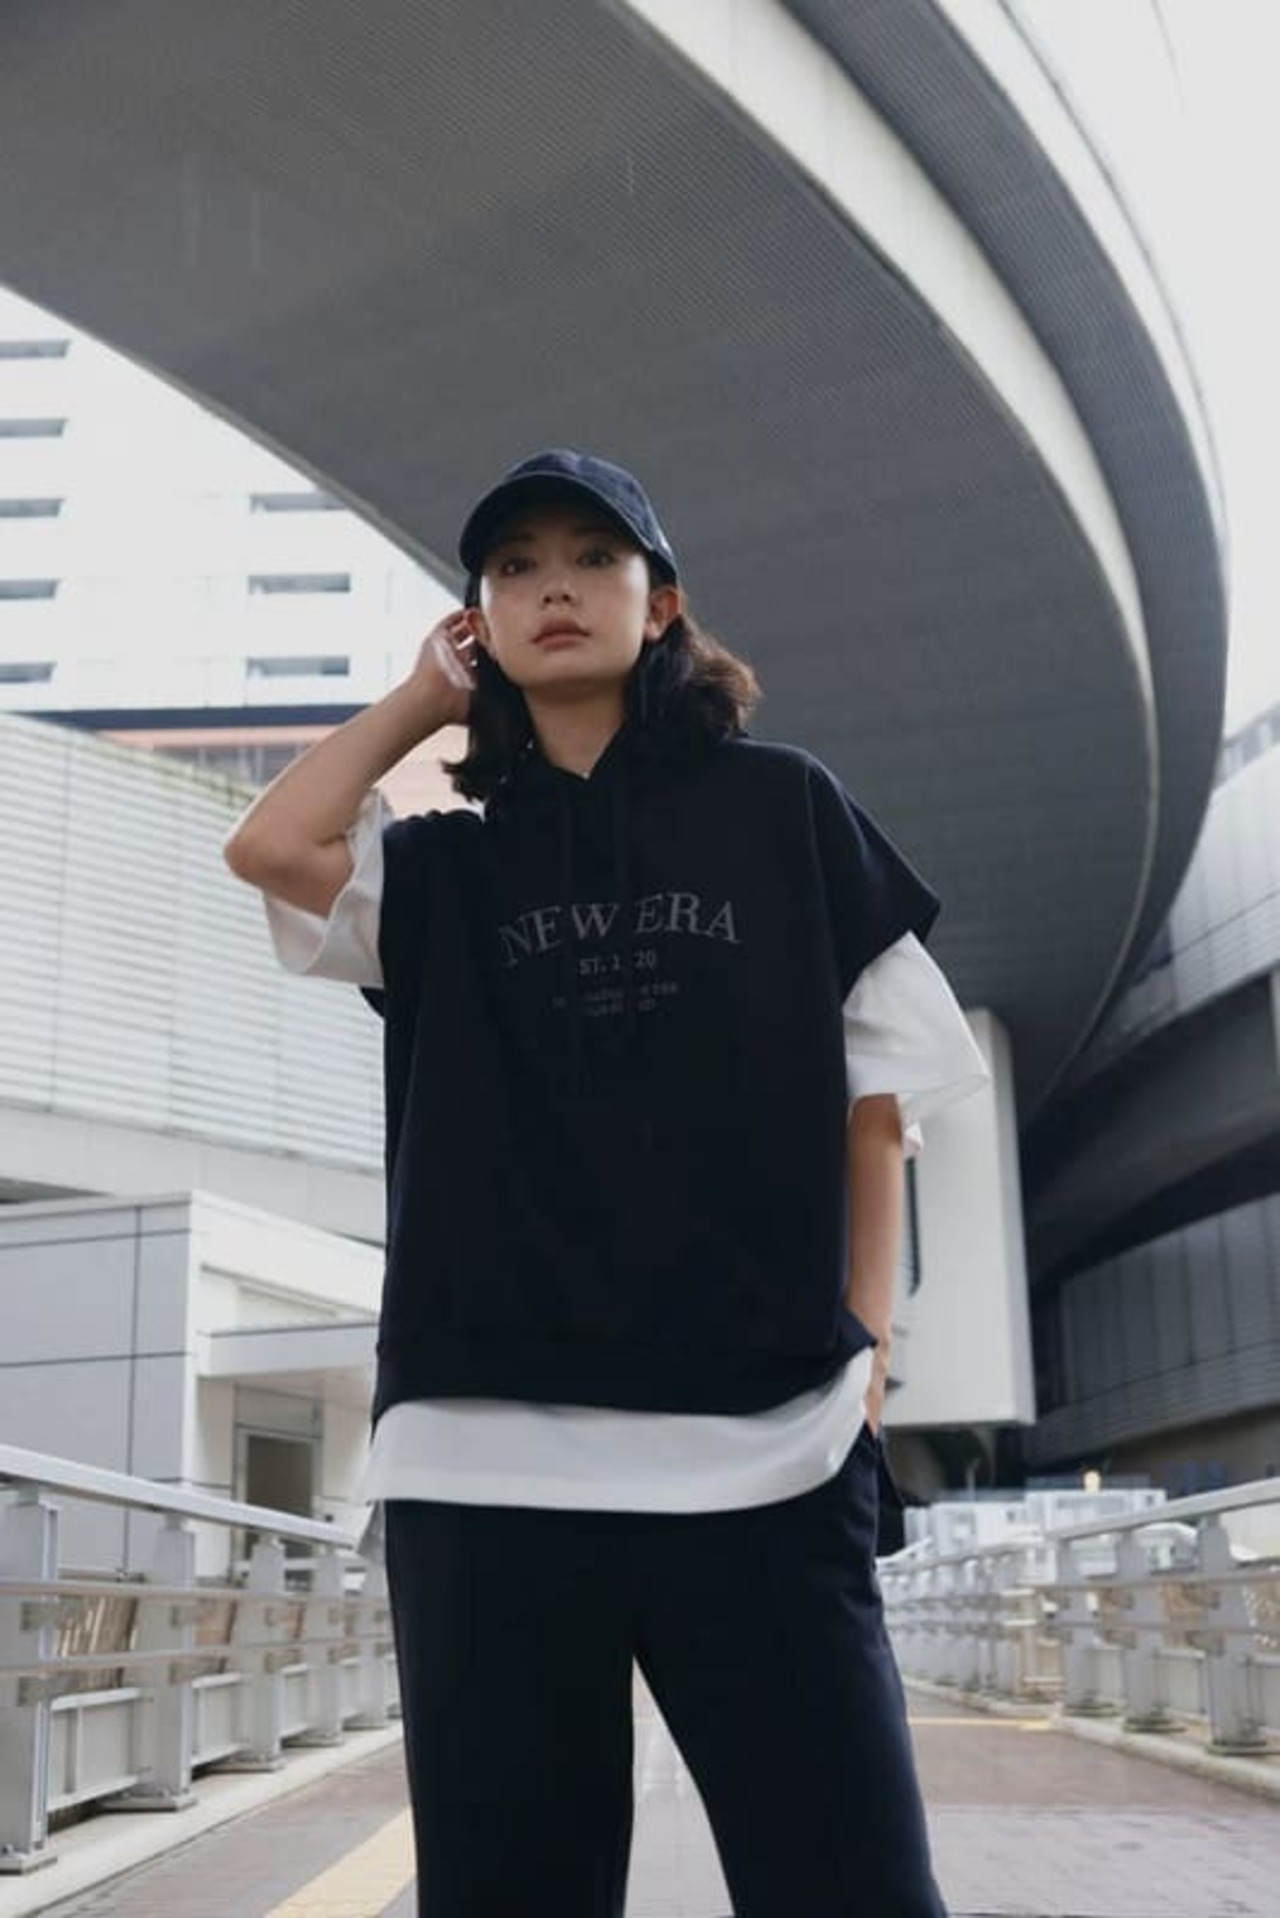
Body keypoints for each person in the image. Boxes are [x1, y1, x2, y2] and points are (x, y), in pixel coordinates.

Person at [224, 448, 988, 1917]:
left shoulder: (787, 809)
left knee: (856, 1888)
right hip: (482, 1454)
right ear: (479, 620)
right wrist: (422, 701)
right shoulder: (444, 870)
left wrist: (870, 1356)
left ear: (663, 604)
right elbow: (270, 841)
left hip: (766, 1443)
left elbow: (878, 1103)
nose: (554, 586)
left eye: (592, 556)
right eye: (514, 568)